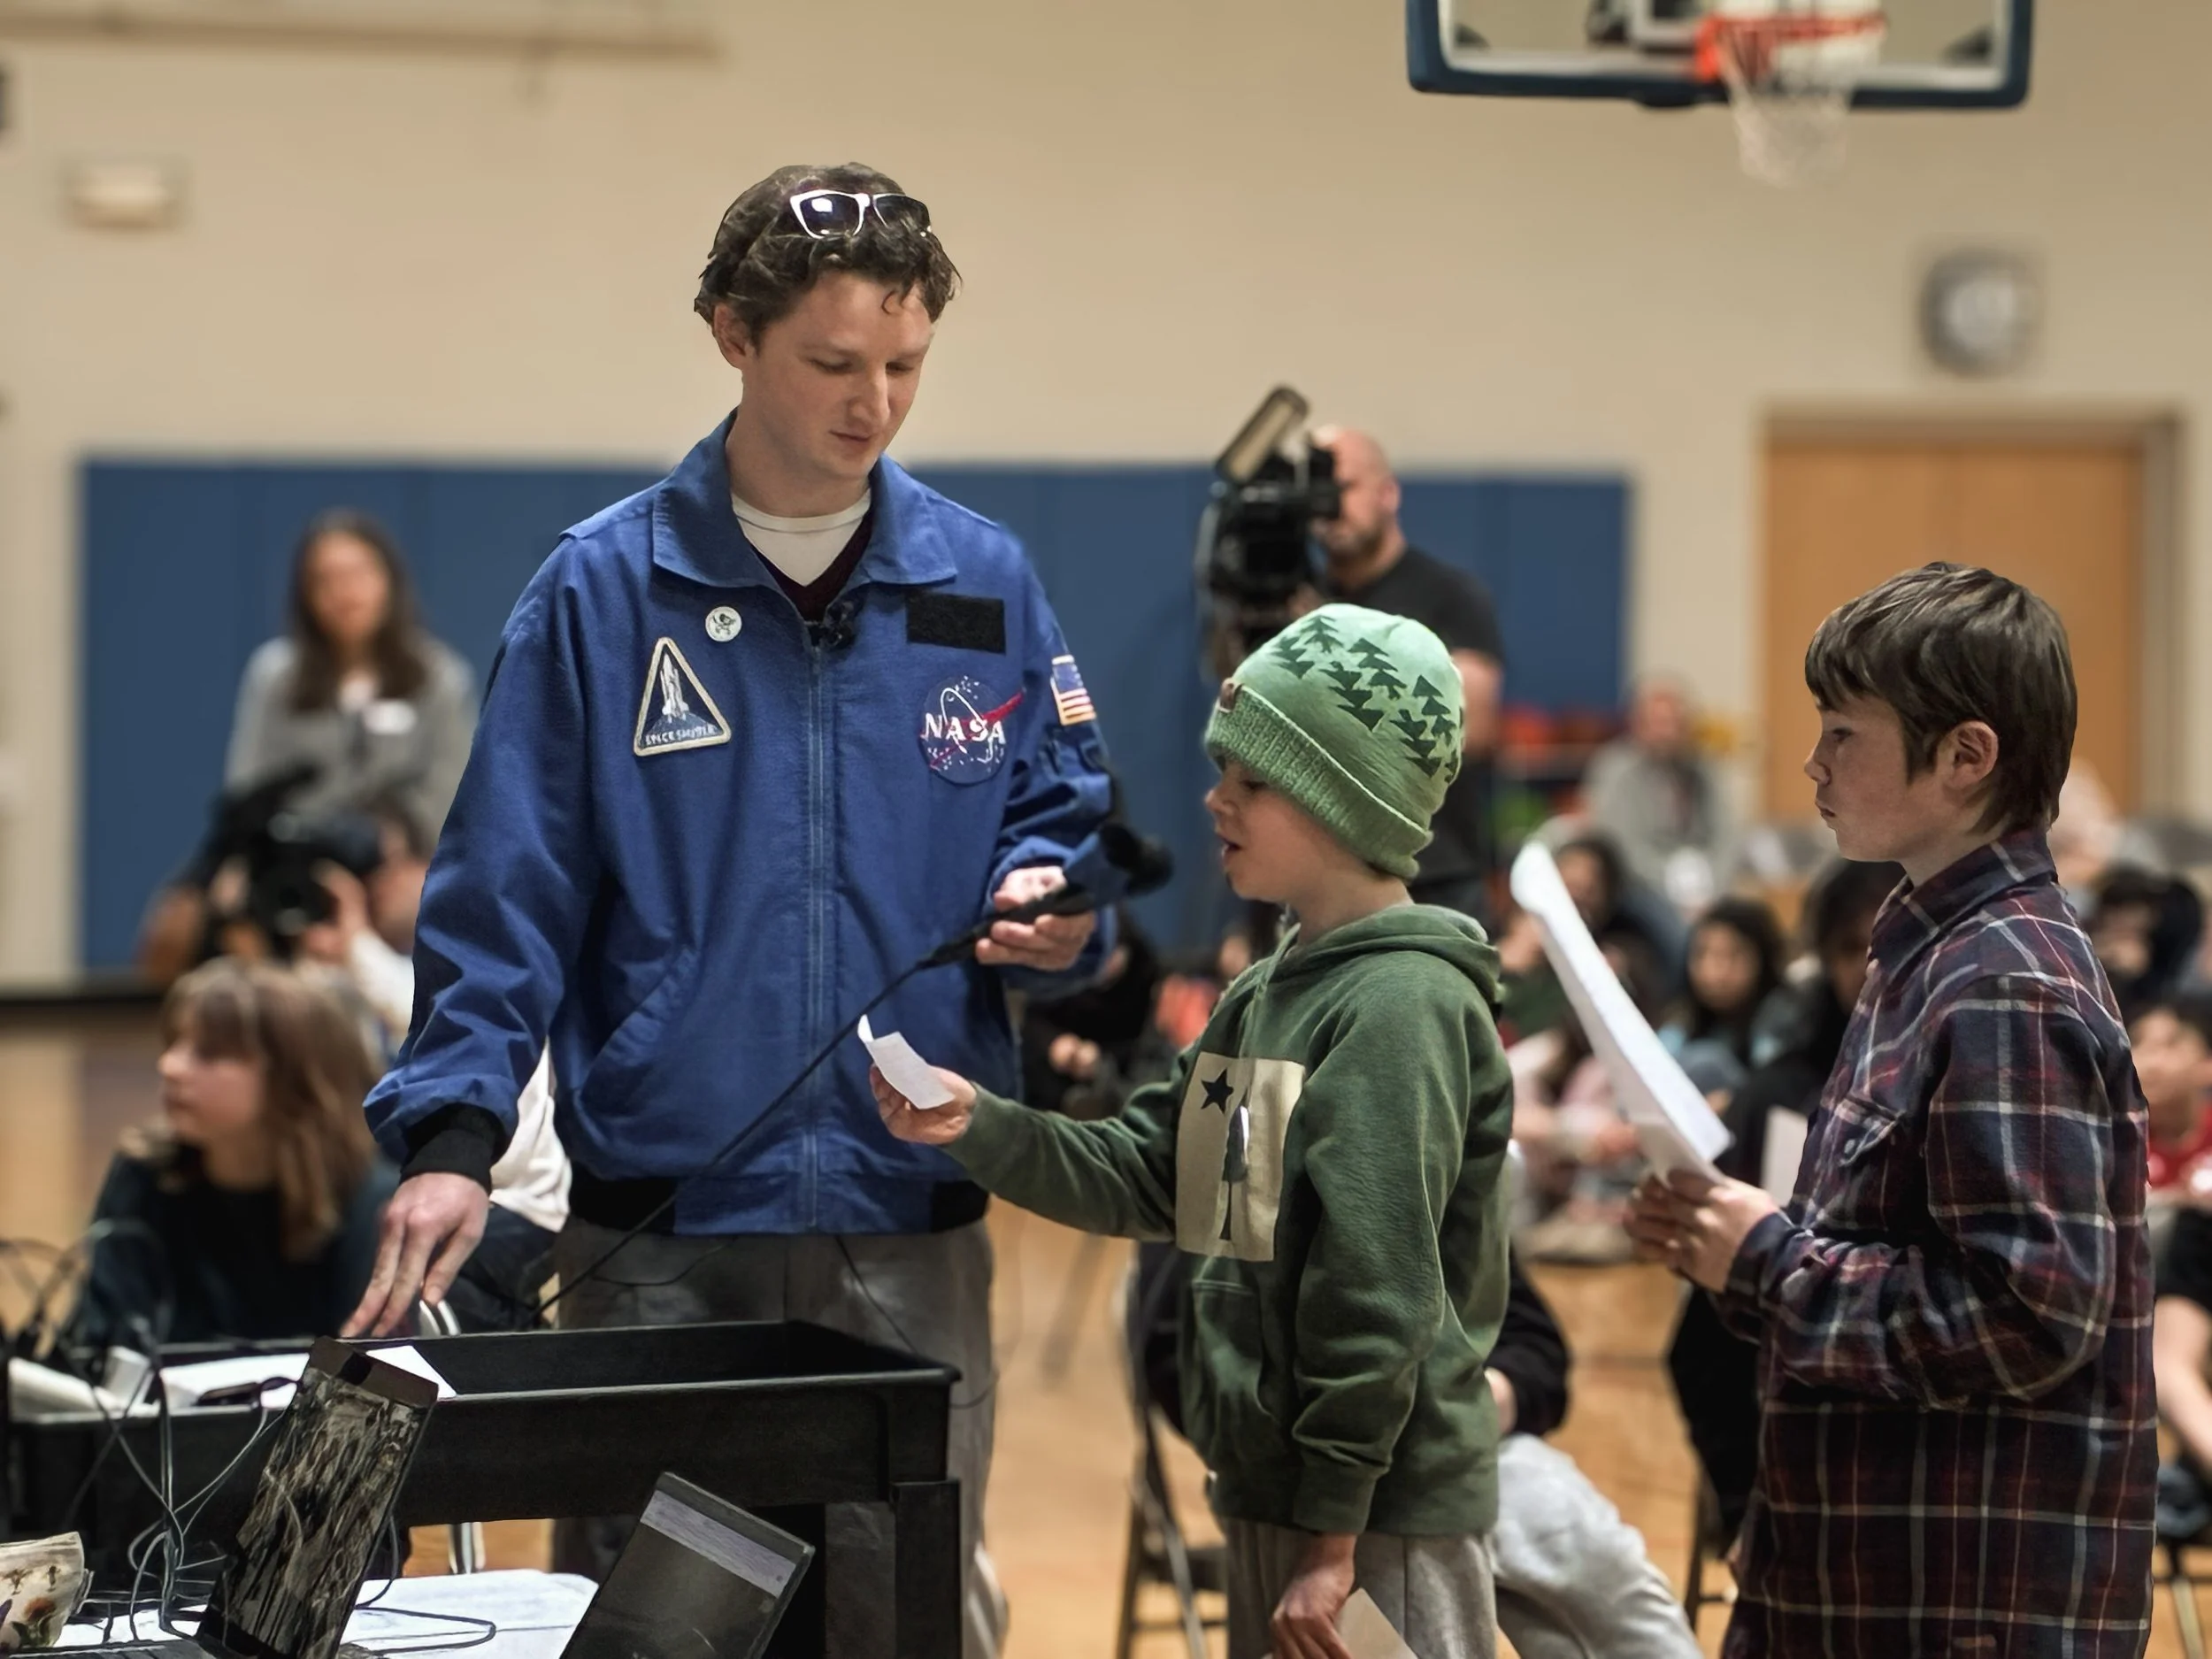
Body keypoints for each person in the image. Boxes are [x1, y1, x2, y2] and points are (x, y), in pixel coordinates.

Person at [346, 162, 1114, 1656]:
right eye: (832, 362)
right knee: (661, 1627)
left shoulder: (984, 580)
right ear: (730, 334)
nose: (872, 404)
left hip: (915, 1220)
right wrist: (451, 1141)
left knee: (909, 1620)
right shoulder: (598, 591)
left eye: (903, 367)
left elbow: (1062, 819)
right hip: (666, 1235)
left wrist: (1064, 916)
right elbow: (504, 893)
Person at [878, 604, 1513, 1659]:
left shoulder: (1399, 1005)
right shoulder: (1267, 992)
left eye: (1252, 782)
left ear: (1339, 798)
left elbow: (1376, 1287)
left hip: (1376, 1523)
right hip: (1284, 1498)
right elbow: (1155, 1176)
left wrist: (1333, 1538)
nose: (1216, 799)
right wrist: (976, 1123)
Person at [1628, 562, 2155, 1656]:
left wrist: (1769, 1264)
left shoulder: (2004, 980)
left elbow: (2027, 1316)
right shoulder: (1926, 950)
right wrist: (1733, 1256)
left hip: (1961, 1605)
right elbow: (1886, 1249)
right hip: (1865, 1573)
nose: (1814, 763)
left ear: (1965, 756)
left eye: (1842, 735)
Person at [1663, 856, 1898, 1539]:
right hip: (1787, 1357)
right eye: (1851, 948)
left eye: (1887, 942)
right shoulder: (1776, 1089)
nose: (1870, 965)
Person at [69, 958, 397, 1351]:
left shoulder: (369, 1200)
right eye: (173, 1043)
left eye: (209, 1053)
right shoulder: (143, 1176)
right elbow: (99, 1348)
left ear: (292, 1078)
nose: (169, 1065)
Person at [1310, 426, 1505, 920]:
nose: (1331, 507)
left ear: (1388, 493)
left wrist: (1325, 660)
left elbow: (1469, 729)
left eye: (1345, 488)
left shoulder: (1449, 595)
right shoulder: (1297, 604)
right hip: (1321, 875)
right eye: (1318, 492)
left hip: (1432, 876)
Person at [226, 509, 477, 835]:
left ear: (389, 579)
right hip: (296, 858)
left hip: (408, 862)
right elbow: (248, 788)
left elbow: (451, 794)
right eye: (325, 579)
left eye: (358, 573)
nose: (345, 592)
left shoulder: (440, 677)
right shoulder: (275, 676)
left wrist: (401, 856)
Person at [1583, 677, 1733, 913]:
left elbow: (1728, 835)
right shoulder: (1615, 771)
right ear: (1637, 724)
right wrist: (1673, 885)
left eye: (1677, 723)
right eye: (1659, 723)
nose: (1669, 733)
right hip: (1640, 889)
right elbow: (1618, 847)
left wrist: (1711, 885)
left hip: (1705, 889)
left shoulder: (1703, 770)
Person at [1660, 895, 1786, 1095]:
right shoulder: (1682, 1020)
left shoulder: (1781, 1018)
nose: (1714, 972)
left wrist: (1733, 1102)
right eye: (1703, 954)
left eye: (1733, 955)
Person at [2129, 990, 2212, 1256]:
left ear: (2207, 1064)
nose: (2150, 1062)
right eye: (2138, 1044)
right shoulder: (2116, 1146)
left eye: (2170, 1045)